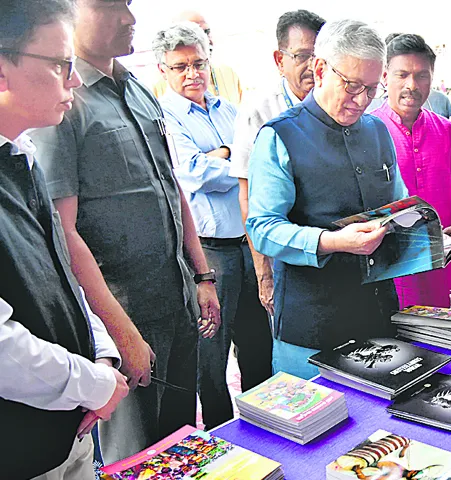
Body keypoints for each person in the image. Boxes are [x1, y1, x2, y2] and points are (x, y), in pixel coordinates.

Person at [29, 0, 221, 464]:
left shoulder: (137, 89)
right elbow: (63, 231)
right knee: (132, 456)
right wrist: (122, 332)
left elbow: (171, 187)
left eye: (129, 5)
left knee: (181, 444)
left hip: (176, 302)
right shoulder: (64, 101)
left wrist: (201, 275)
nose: (129, 19)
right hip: (123, 313)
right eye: (110, 6)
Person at [0, 1, 129, 477]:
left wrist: (102, 356)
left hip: (68, 426)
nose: (73, 80)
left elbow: (60, 276)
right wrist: (93, 384)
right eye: (60, 65)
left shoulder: (21, 155)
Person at [246, 20, 408, 379]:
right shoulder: (281, 135)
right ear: (320, 70)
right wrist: (333, 242)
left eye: (371, 88)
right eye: (351, 86)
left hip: (377, 313)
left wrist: (422, 231)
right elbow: (262, 229)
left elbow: (399, 204)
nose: (362, 100)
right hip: (312, 324)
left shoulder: (378, 130)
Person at [153, 22, 270, 429]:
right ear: (163, 70)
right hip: (209, 252)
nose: (192, 74)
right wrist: (229, 158)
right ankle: (221, 435)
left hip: (247, 244)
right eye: (180, 66)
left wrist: (218, 156)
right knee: (212, 356)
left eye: (198, 63)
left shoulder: (231, 109)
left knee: (258, 345)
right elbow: (193, 173)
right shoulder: (163, 117)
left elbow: (254, 164)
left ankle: (265, 426)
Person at [231, 9, 325, 318]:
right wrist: (265, 274)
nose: (312, 66)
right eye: (301, 56)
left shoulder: (337, 106)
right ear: (279, 59)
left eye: (319, 56)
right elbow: (247, 196)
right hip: (283, 259)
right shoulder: (259, 112)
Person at [370, 33, 451, 308]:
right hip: (389, 274)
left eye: (421, 75)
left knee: (445, 346)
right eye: (402, 75)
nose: (411, 85)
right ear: (384, 76)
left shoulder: (447, 130)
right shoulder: (366, 132)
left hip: (443, 269)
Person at [153, 10, 244, 105]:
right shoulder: (158, 87)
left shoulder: (228, 73)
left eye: (206, 32)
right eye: (191, 34)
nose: (205, 40)